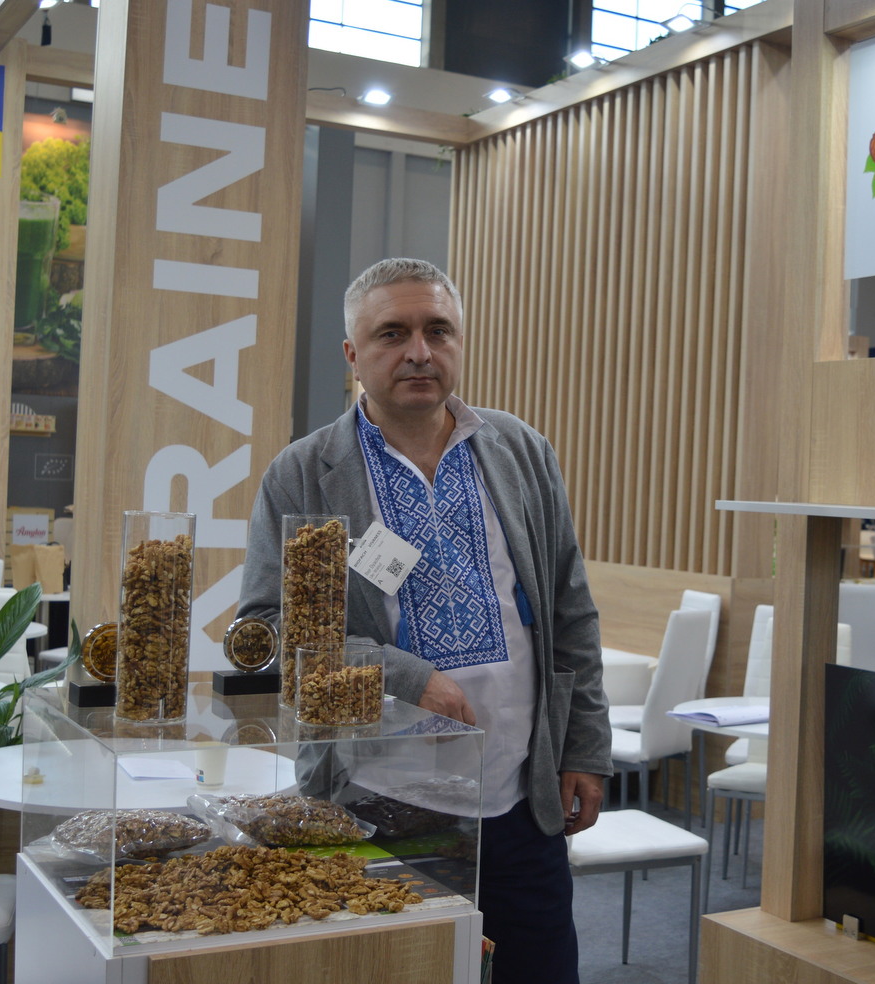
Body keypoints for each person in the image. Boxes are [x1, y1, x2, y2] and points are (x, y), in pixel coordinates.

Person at [238, 258, 612, 984]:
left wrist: (586, 747)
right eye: (393, 334)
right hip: (377, 809)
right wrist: (403, 677)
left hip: (520, 804)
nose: (419, 351)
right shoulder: (303, 474)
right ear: (352, 354)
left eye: (438, 331)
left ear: (460, 342)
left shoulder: (520, 452)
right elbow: (267, 632)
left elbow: (571, 610)